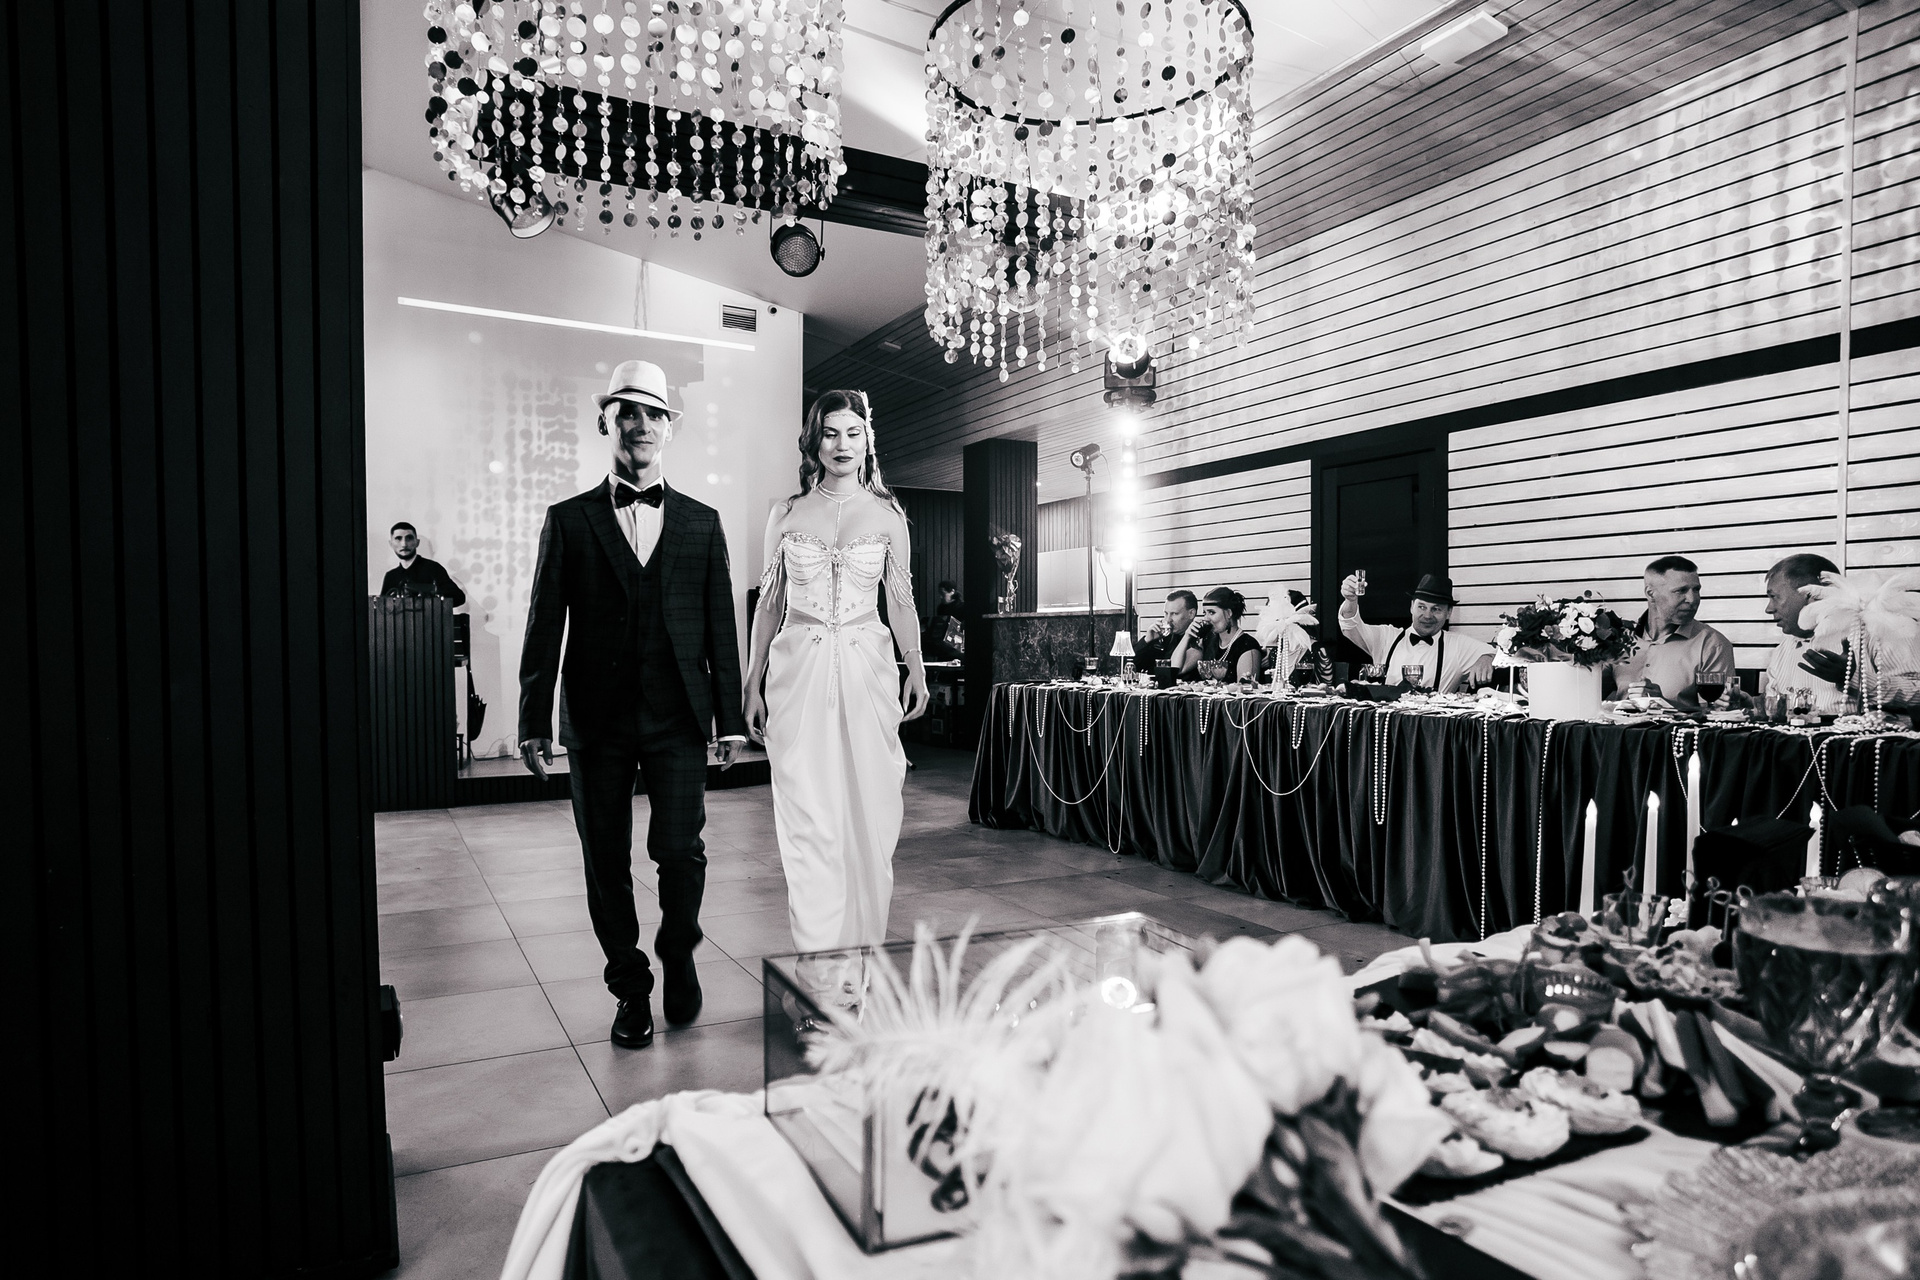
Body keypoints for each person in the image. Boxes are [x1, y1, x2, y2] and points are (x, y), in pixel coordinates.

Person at [517, 359, 747, 1051]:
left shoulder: (702, 523)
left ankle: (678, 949)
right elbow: (543, 624)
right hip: (597, 720)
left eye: (653, 413)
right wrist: (532, 720)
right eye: (627, 412)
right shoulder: (569, 520)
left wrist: (730, 719)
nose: (641, 424)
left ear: (670, 428)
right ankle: (630, 986)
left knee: (680, 850)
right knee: (605, 861)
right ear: (605, 423)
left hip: (679, 715)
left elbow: (720, 626)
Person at [743, 390, 931, 951]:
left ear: (868, 440)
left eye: (853, 432)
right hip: (797, 673)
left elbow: (901, 603)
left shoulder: (889, 516)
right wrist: (752, 680)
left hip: (867, 672)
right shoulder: (786, 512)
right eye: (830, 433)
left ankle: (860, 952)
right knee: (807, 813)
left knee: (870, 809)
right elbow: (768, 605)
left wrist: (916, 669)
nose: (842, 444)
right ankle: (819, 957)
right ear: (814, 441)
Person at [1763, 553, 1920, 715]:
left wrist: (1852, 678)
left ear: (1811, 595)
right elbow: (1773, 709)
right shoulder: (1784, 648)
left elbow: (1917, 695)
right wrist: (1753, 704)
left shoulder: (1878, 630)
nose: (1768, 609)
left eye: (1774, 597)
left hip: (1861, 731)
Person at [1605, 555, 1735, 711]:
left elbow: (1719, 714)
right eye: (1681, 591)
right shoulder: (1618, 639)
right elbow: (1589, 697)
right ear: (1650, 594)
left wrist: (1662, 704)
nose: (1692, 599)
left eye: (1696, 590)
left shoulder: (1712, 645)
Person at [1338, 571, 1493, 692]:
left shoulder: (1458, 646)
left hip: (1431, 723)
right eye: (1422, 607)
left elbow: (1501, 655)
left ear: (1449, 613)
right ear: (1411, 607)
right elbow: (1349, 625)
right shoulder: (1387, 637)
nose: (1427, 615)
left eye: (1436, 609)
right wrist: (1350, 600)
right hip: (1385, 721)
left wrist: (1487, 657)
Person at [1171, 586, 1263, 682]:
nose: (1206, 618)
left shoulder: (1247, 646)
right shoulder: (1207, 640)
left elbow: (1246, 687)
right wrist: (1187, 636)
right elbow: (1175, 669)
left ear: (1229, 613)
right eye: (1205, 613)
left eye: (1211, 612)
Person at [381, 522, 466, 605]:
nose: (404, 544)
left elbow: (459, 597)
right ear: (391, 544)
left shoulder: (433, 568)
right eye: (398, 539)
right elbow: (382, 607)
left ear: (417, 542)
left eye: (409, 538)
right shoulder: (390, 576)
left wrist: (430, 592)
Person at [1135, 589, 1199, 667]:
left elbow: (1176, 669)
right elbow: (1130, 665)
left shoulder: (1198, 641)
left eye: (1174, 614)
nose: (1168, 619)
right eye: (1166, 613)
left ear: (1191, 614)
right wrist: (1146, 640)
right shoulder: (1162, 638)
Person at [921, 580, 964, 660]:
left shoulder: (962, 607)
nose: (941, 597)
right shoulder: (941, 607)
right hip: (943, 643)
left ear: (952, 591)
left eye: (943, 594)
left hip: (957, 643)